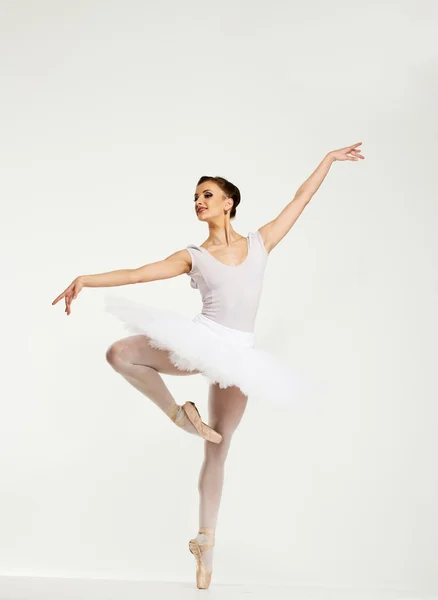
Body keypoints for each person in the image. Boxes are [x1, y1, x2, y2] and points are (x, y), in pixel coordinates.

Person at [52, 142, 364, 589]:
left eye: (207, 195)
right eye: (195, 197)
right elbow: (141, 272)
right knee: (120, 353)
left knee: (219, 447)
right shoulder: (192, 256)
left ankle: (205, 546)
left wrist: (329, 160)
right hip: (200, 340)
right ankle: (180, 415)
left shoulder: (261, 241)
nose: (199, 202)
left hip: (237, 354)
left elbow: (301, 199)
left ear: (229, 202)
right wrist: (86, 278)